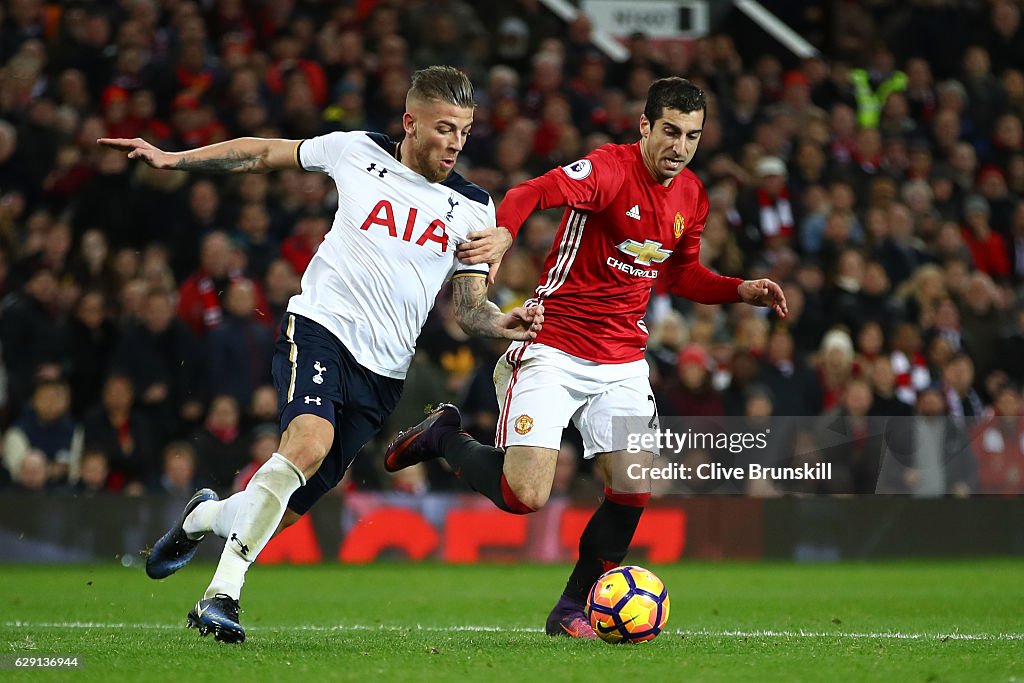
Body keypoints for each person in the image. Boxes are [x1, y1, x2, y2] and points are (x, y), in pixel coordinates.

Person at [98, 65, 541, 643]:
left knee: (278, 509)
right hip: (321, 327)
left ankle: (203, 517)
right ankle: (219, 599)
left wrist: (504, 323)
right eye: (444, 128)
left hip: (384, 374)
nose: (457, 142)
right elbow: (260, 154)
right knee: (307, 443)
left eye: (464, 130)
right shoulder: (356, 151)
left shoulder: (476, 208)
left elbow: (467, 310)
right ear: (410, 122)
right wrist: (175, 158)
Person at [385, 77, 787, 639]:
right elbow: (530, 192)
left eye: (692, 136)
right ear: (645, 126)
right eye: (669, 131)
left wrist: (738, 289)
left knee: (634, 488)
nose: (679, 146)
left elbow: (679, 272)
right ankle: (444, 437)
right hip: (554, 344)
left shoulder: (692, 194)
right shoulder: (608, 170)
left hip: (622, 359)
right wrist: (503, 233)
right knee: (524, 496)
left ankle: (571, 608)